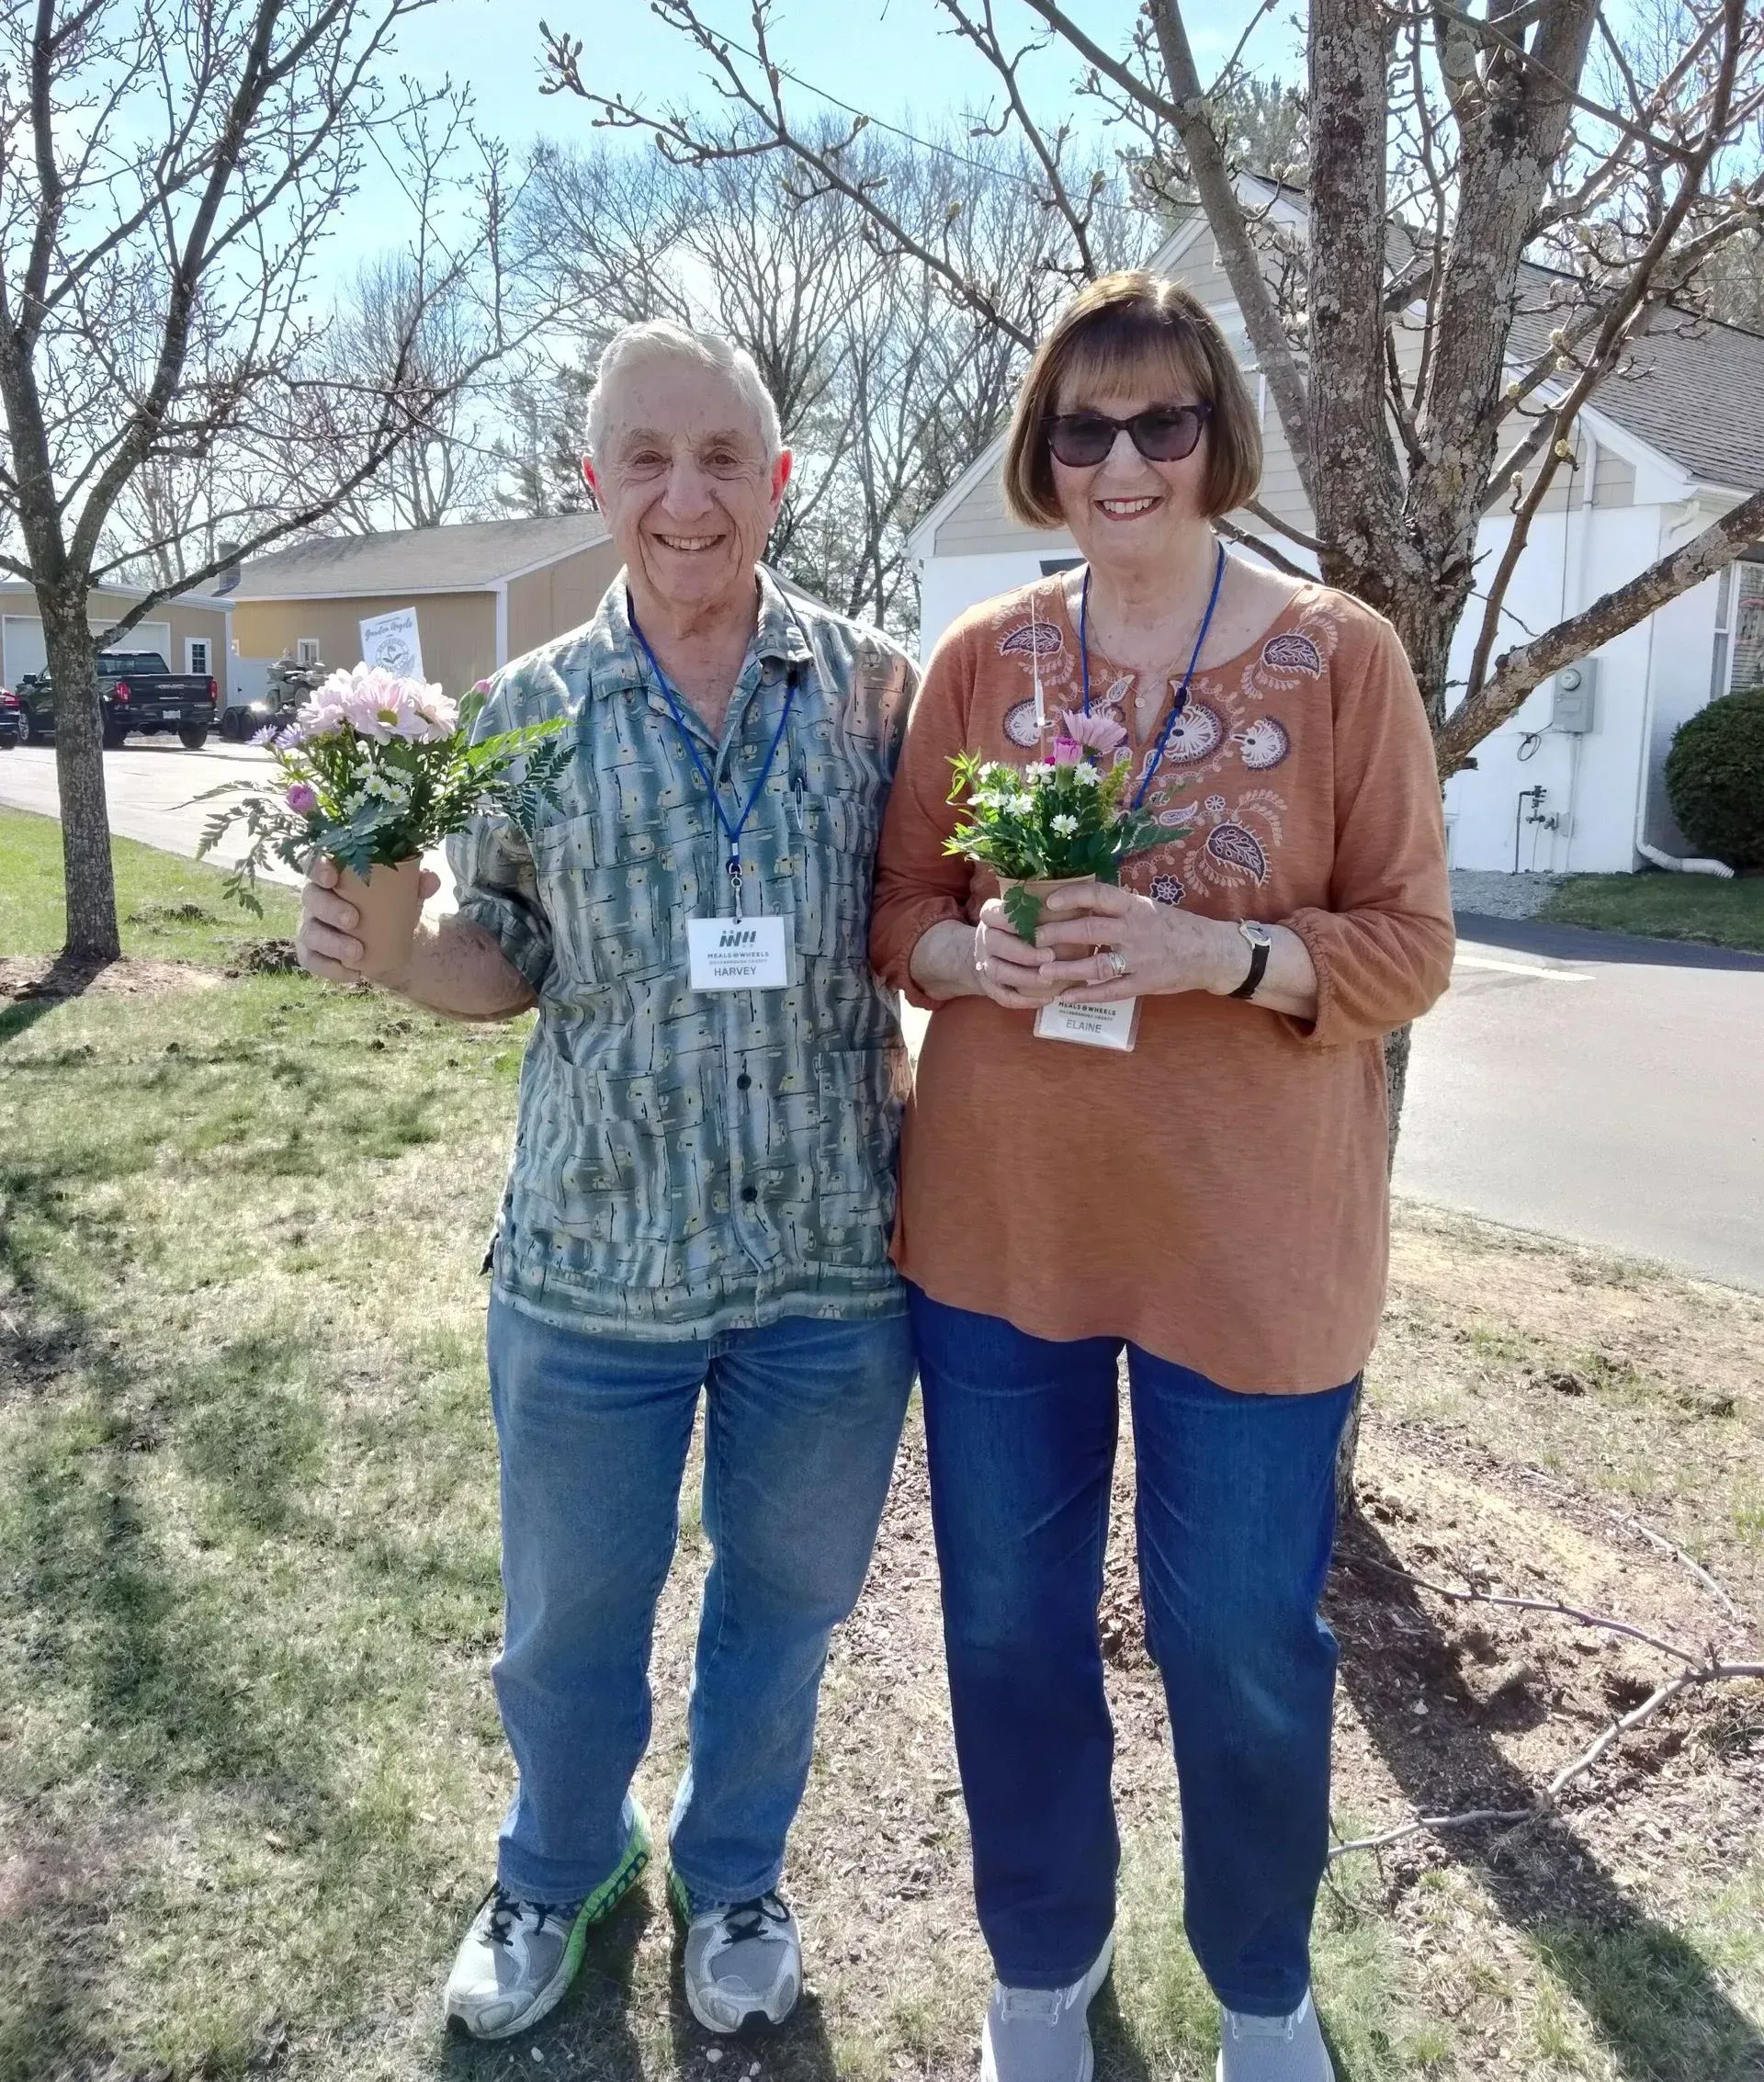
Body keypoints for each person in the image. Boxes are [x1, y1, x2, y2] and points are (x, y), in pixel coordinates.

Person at [296, 319, 917, 2044]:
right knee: (570, 1618)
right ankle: (557, 1862)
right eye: (646, 456)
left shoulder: (885, 691)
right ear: (594, 486)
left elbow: (936, 915)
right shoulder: (523, 714)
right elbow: (499, 947)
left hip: (828, 1269)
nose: (686, 493)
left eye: (723, 456)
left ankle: (736, 1871)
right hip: (592, 1265)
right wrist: (398, 947)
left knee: (784, 1611)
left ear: (778, 482)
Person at [870, 272, 1455, 2082]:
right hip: (1002, 1227)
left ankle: (1262, 1987)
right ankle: (1041, 1962)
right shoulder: (984, 660)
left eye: (1163, 422)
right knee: (1004, 1617)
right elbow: (901, 916)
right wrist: (977, 962)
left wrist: (1226, 959)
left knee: (1238, 1641)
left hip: (1252, 1249)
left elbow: (1411, 946)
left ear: (1216, 436)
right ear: (1043, 454)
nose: (1124, 460)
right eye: (1083, 427)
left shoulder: (1341, 653)